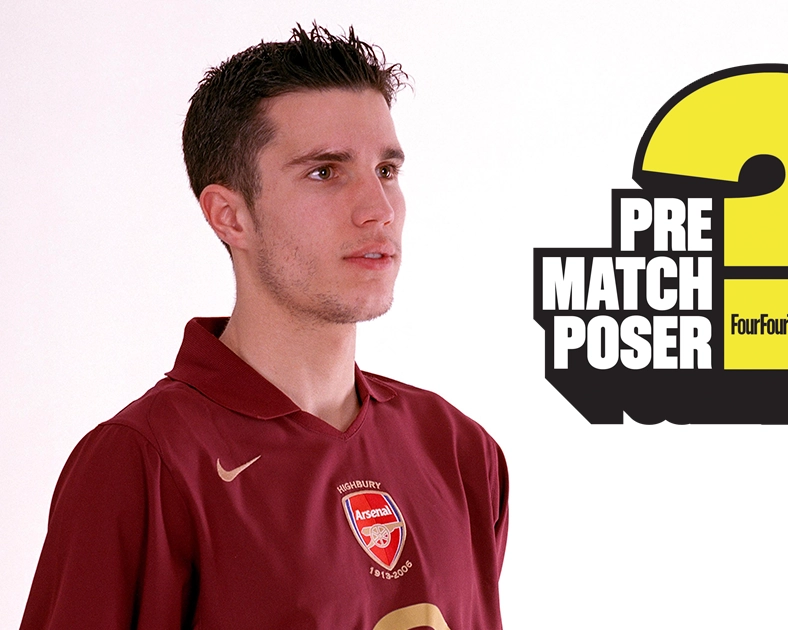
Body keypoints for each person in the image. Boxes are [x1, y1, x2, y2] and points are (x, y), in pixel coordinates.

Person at [21, 24, 508, 630]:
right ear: (230, 216)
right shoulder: (142, 463)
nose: (379, 210)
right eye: (325, 172)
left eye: (386, 170)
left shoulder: (459, 450)